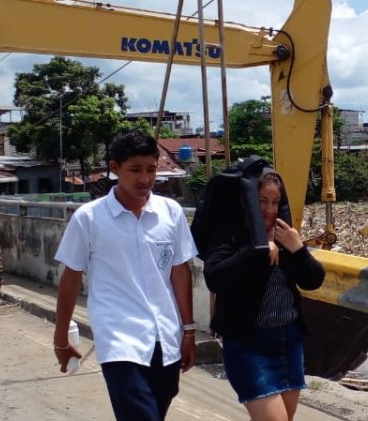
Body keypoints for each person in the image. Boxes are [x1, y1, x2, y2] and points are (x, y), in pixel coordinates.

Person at [52, 130, 197, 421]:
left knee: (158, 407)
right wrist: (61, 338)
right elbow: (71, 277)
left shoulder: (170, 213)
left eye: (151, 169)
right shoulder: (90, 218)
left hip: (165, 337)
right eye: (135, 170)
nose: (145, 179)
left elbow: (180, 272)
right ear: (115, 168)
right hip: (120, 339)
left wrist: (189, 331)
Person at [202, 169, 325, 421]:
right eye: (262, 201)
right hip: (248, 345)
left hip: (288, 343)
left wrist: (298, 249)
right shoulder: (231, 233)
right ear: (246, 201)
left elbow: (314, 280)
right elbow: (214, 278)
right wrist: (254, 251)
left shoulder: (284, 235)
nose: (270, 209)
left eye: (275, 202)